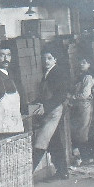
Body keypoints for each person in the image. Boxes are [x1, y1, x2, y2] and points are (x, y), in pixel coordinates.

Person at [32, 49, 71, 179]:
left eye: (49, 58)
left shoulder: (57, 73)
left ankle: (26, 175)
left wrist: (46, 106)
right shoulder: (47, 73)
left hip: (54, 111)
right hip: (49, 111)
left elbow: (61, 95)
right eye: (44, 58)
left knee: (41, 141)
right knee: (55, 142)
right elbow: (44, 94)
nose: (46, 61)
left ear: (55, 59)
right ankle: (62, 171)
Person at [69, 56, 94, 165]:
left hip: (85, 105)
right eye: (80, 62)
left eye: (84, 62)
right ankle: (85, 157)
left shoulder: (88, 77)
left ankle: (87, 158)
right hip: (79, 105)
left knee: (83, 130)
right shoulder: (80, 76)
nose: (82, 64)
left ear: (89, 65)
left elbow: (85, 94)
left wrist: (72, 97)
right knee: (80, 130)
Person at [0, 44, 29, 119]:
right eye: (2, 55)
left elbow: (21, 93)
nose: (6, 59)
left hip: (17, 114)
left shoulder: (13, 73)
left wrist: (24, 112)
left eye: (8, 55)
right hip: (3, 117)